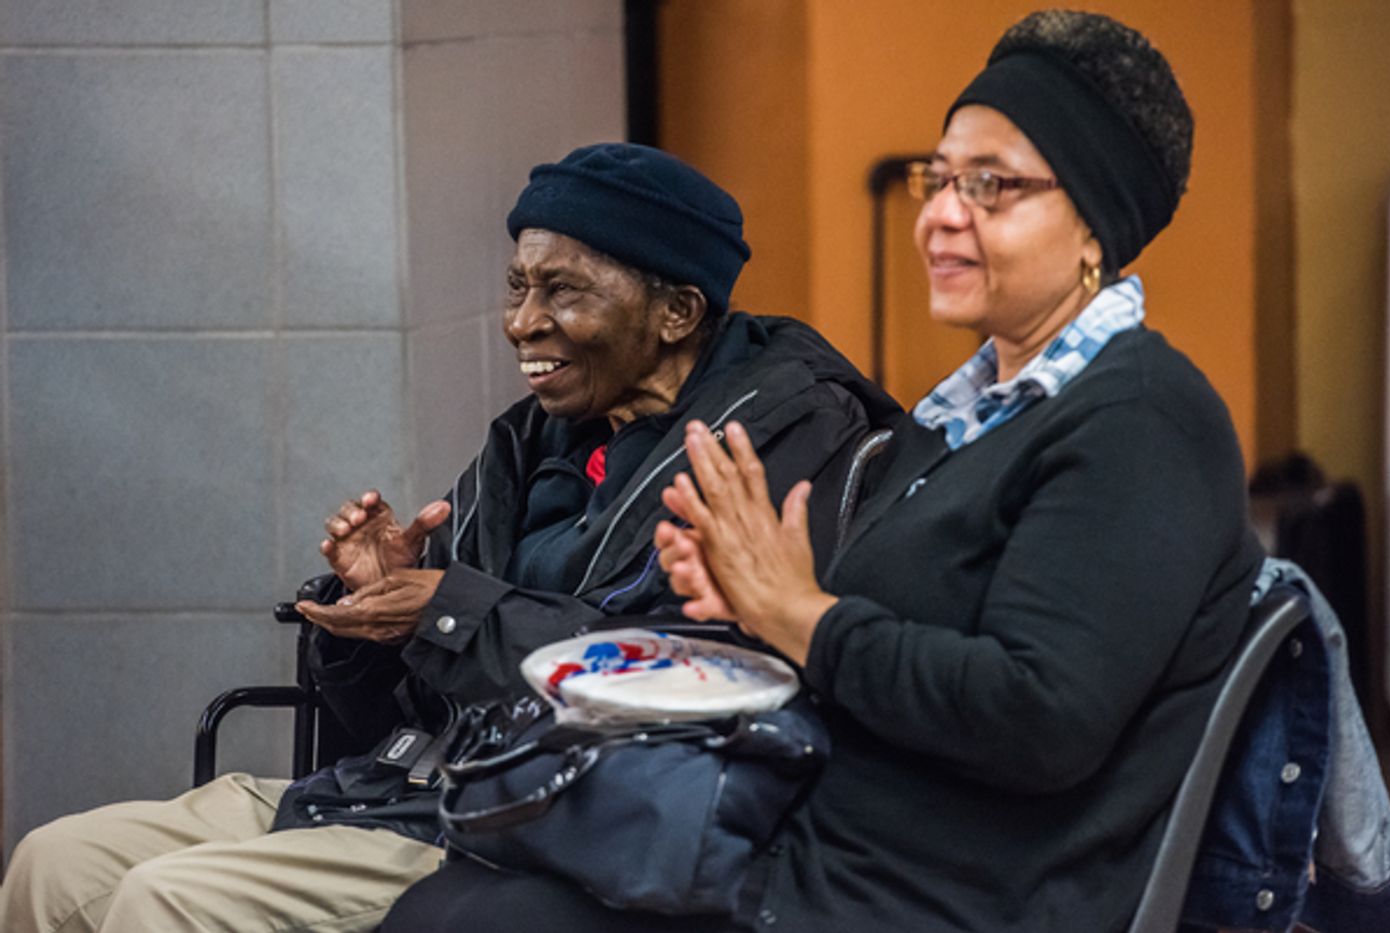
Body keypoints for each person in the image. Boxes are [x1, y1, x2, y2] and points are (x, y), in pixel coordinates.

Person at [380, 10, 1265, 933]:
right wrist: (748, 596)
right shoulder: (968, 419)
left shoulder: (1139, 419)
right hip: (815, 847)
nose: (941, 212)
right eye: (942, 176)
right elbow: (886, 634)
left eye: (992, 185)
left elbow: (1039, 719)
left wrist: (797, 614)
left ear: (1095, 225)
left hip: (927, 896)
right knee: (453, 898)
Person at [0, 143, 899, 933]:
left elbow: (696, 668)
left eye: (563, 290)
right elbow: (405, 706)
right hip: (405, 785)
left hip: (544, 815)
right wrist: (369, 612)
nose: (521, 321)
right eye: (518, 284)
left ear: (676, 311)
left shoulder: (777, 435)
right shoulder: (537, 438)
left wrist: (451, 611)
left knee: (169, 899)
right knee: (55, 860)